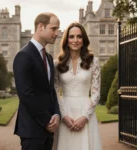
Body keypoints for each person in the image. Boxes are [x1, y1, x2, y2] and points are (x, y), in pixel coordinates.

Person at [13, 12, 61, 150]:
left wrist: (57, 114)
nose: (57, 33)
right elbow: (25, 94)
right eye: (53, 28)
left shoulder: (49, 58)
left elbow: (51, 91)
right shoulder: (23, 55)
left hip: (48, 130)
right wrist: (47, 121)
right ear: (41, 27)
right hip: (32, 130)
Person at [54, 22, 102, 150]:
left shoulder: (94, 62)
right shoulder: (57, 64)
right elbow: (55, 92)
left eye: (79, 36)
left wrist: (85, 117)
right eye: (71, 37)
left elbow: (96, 93)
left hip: (86, 112)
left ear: (84, 39)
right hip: (65, 112)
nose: (75, 40)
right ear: (66, 40)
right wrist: (63, 116)